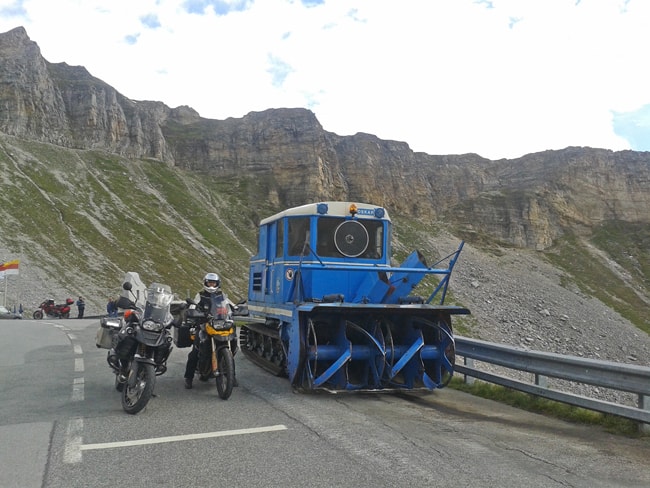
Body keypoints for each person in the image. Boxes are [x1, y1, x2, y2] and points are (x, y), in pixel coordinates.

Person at [184, 272, 238, 389]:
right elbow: (193, 306)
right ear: (205, 283)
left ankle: (231, 375)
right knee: (195, 352)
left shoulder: (222, 295)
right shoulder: (200, 295)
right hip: (204, 324)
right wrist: (193, 311)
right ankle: (189, 377)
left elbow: (230, 305)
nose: (212, 285)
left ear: (218, 284)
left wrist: (236, 309)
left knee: (232, 340)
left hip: (219, 323)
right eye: (210, 283)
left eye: (214, 283)